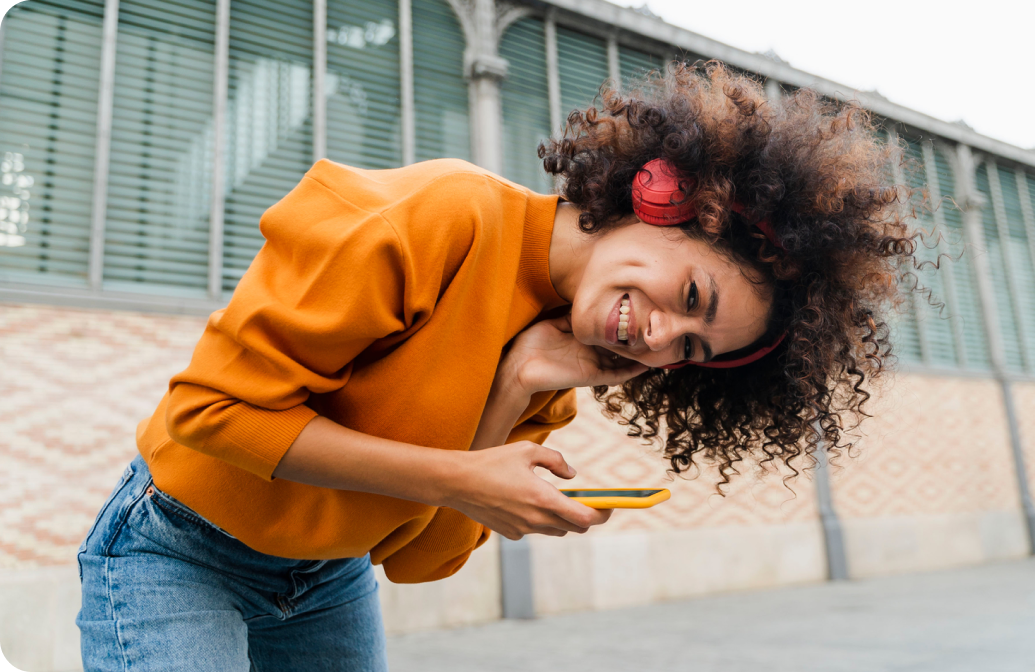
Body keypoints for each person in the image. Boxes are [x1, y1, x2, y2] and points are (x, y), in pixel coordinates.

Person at [75, 62, 916, 670]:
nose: (658, 338)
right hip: (180, 548)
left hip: (328, 581)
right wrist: (463, 477)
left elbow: (417, 562)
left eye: (690, 349)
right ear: (664, 198)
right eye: (690, 295)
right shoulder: (438, 216)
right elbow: (209, 415)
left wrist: (513, 385)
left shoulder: (555, 361)